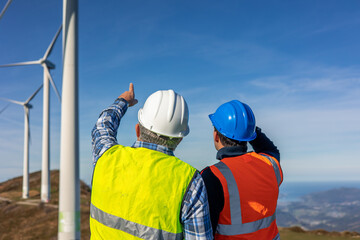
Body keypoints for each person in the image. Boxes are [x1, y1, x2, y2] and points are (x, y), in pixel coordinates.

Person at [90, 83, 213, 240]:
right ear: (179, 140)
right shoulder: (190, 181)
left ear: (137, 129)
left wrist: (123, 101)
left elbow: (102, 127)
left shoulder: (107, 156)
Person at [201, 100, 283, 240]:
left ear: (216, 135)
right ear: (249, 135)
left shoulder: (212, 176)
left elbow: (205, 233)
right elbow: (269, 149)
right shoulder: (270, 164)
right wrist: (246, 127)